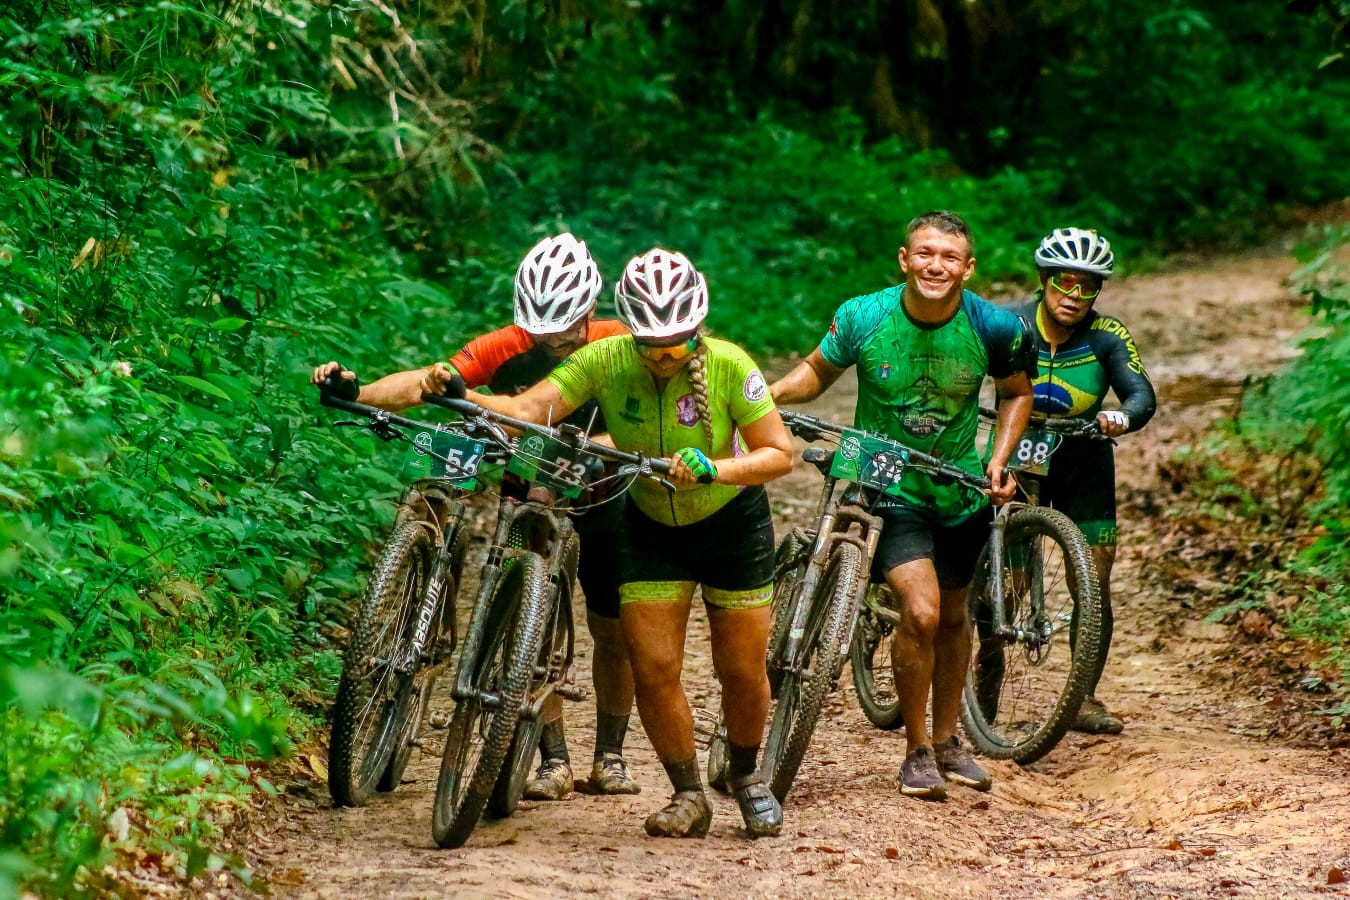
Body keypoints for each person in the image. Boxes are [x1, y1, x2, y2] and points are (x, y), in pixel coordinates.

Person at [431, 248, 795, 839]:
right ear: (630, 331)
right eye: (652, 345)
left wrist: (716, 469)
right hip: (650, 527)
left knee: (742, 671)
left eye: (677, 343)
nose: (664, 355)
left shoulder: (732, 365)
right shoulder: (602, 358)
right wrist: (464, 397)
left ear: (697, 327)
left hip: (732, 525)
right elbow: (528, 410)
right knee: (653, 667)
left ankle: (750, 778)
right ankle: (687, 795)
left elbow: (779, 453)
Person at [311, 232, 644, 799]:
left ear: (589, 310)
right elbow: (428, 382)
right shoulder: (508, 343)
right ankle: (551, 758)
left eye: (563, 331)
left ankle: (610, 755)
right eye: (540, 330)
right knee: (523, 617)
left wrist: (607, 443)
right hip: (528, 489)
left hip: (605, 489)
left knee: (612, 630)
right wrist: (359, 391)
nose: (550, 341)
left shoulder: (621, 343)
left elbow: (658, 415)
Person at [769, 210, 1035, 801]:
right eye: (925, 253)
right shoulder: (865, 315)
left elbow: (1017, 393)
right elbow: (817, 370)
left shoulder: (997, 327)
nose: (935, 265)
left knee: (954, 616)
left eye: (948, 257)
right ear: (904, 258)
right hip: (887, 484)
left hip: (960, 488)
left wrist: (1000, 457)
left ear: (968, 267)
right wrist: (767, 397)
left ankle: (947, 741)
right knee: (919, 610)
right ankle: (915, 749)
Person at [1000, 227, 1156, 734]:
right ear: (1044, 280)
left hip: (1085, 459)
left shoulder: (1108, 335)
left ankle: (1083, 697)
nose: (1074, 296)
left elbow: (1140, 392)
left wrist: (1124, 417)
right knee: (1008, 580)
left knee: (1094, 579)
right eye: (1065, 283)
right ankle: (984, 672)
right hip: (1019, 454)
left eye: (1087, 287)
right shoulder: (1010, 324)